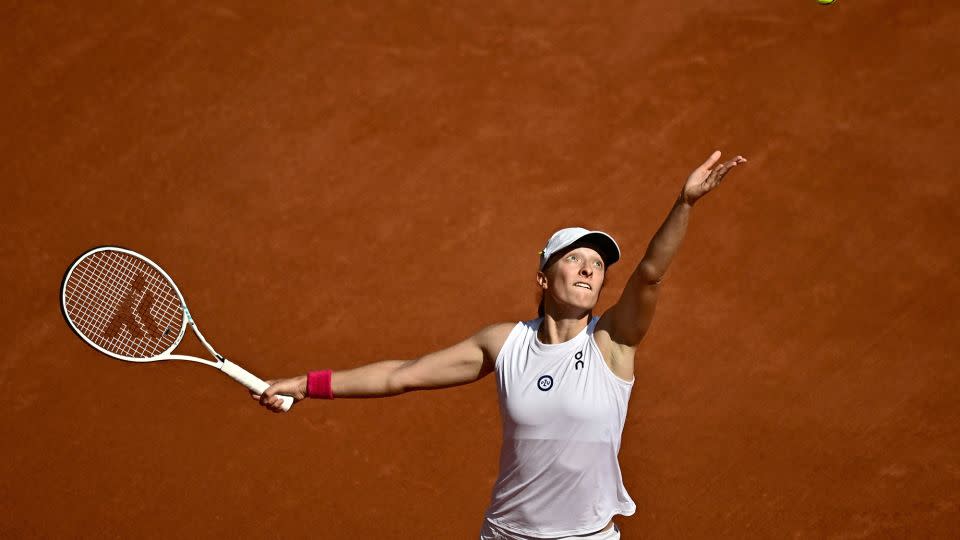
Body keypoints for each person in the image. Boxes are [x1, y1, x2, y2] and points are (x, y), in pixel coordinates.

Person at [253, 150, 747, 539]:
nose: (589, 269)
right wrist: (304, 384)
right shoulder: (505, 343)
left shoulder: (612, 342)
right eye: (575, 259)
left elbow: (651, 275)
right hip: (506, 535)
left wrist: (684, 205)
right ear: (543, 276)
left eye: (597, 265)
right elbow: (401, 375)